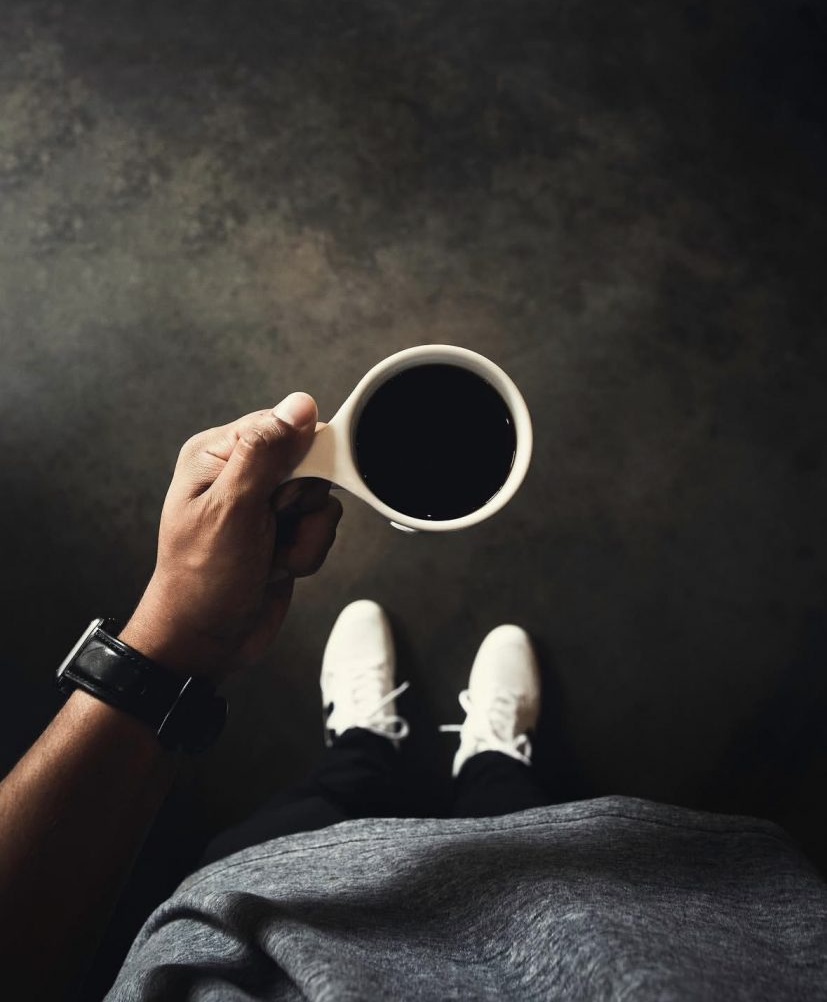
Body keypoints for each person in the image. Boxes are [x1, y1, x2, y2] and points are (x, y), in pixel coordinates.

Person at [0, 392, 824, 1002]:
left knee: (326, 811)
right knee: (523, 818)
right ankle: (493, 764)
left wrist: (181, 643)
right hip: (638, 943)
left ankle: (366, 753)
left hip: (276, 918)